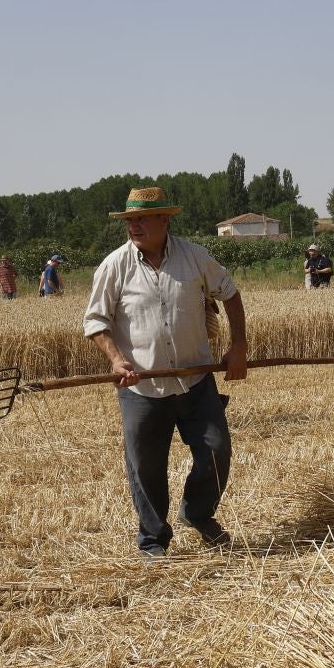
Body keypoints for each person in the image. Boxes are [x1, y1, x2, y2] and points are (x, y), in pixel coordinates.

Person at [84, 186, 248, 555]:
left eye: (142, 218)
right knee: (146, 468)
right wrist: (115, 358)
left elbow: (230, 293)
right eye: (130, 220)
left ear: (165, 219)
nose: (134, 225)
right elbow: (95, 321)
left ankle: (197, 513)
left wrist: (238, 346)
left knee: (217, 451)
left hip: (195, 381)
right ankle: (154, 539)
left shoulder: (194, 258)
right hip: (142, 389)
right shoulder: (114, 266)